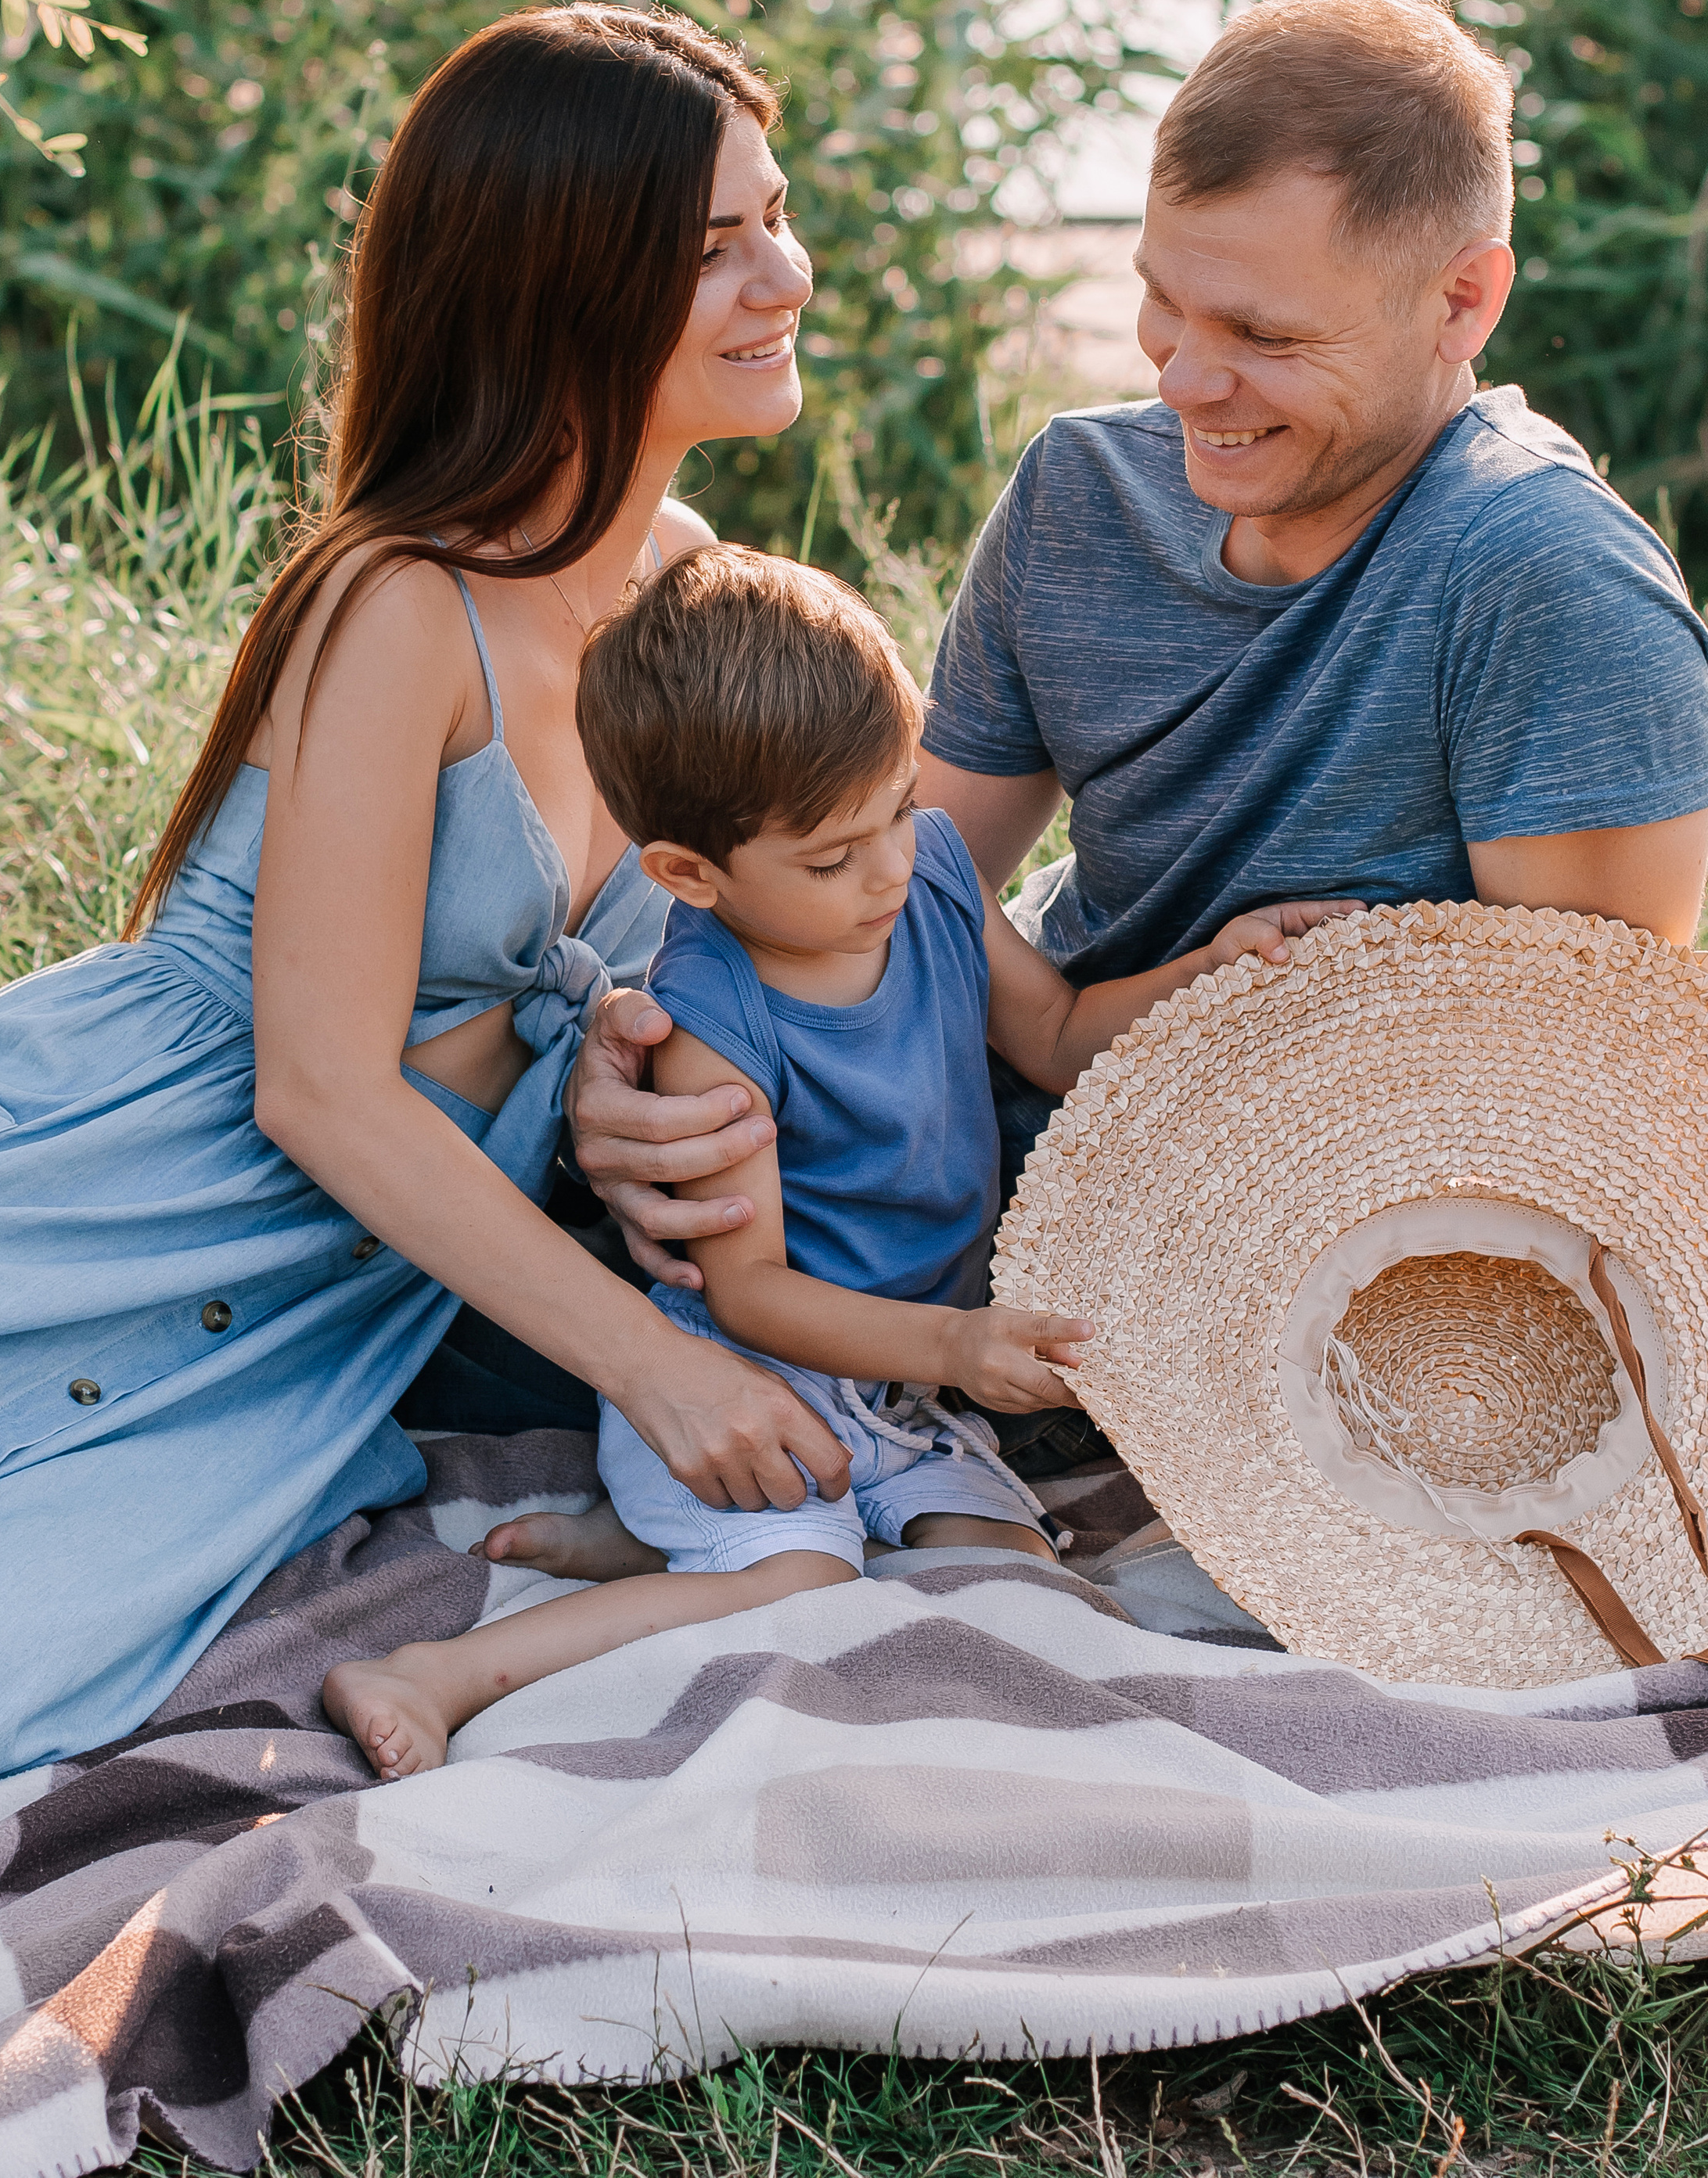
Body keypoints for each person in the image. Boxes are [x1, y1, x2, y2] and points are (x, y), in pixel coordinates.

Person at [0, 5, 861, 1821]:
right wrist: (648, 1368)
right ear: (557, 285)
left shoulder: (692, 592)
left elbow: (746, 935)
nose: (784, 276)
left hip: (312, 1316)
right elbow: (319, 1085)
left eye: (775, 218)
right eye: (714, 245)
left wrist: (621, 1085)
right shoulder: (398, 602)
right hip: (94, 1186)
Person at [560, 0, 1708, 1296]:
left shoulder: (1548, 583)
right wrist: (650, 1064)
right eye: (1163, 300)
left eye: (1262, 334)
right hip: (961, 1178)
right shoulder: (1080, 490)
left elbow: (1591, 1085)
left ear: (1462, 301)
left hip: (1317, 1264)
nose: (1181, 380)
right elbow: (880, 885)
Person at [323, 544, 1355, 1777]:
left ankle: (652, 1541)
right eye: (830, 857)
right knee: (799, 1581)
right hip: (752, 1376)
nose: (888, 869)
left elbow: (1055, 1030)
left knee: (1022, 1580)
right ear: (689, 873)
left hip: (899, 1391)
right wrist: (954, 1346)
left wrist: (1208, 971)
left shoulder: (935, 881)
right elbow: (748, 1291)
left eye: (898, 810)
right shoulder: (712, 1015)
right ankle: (441, 1672)